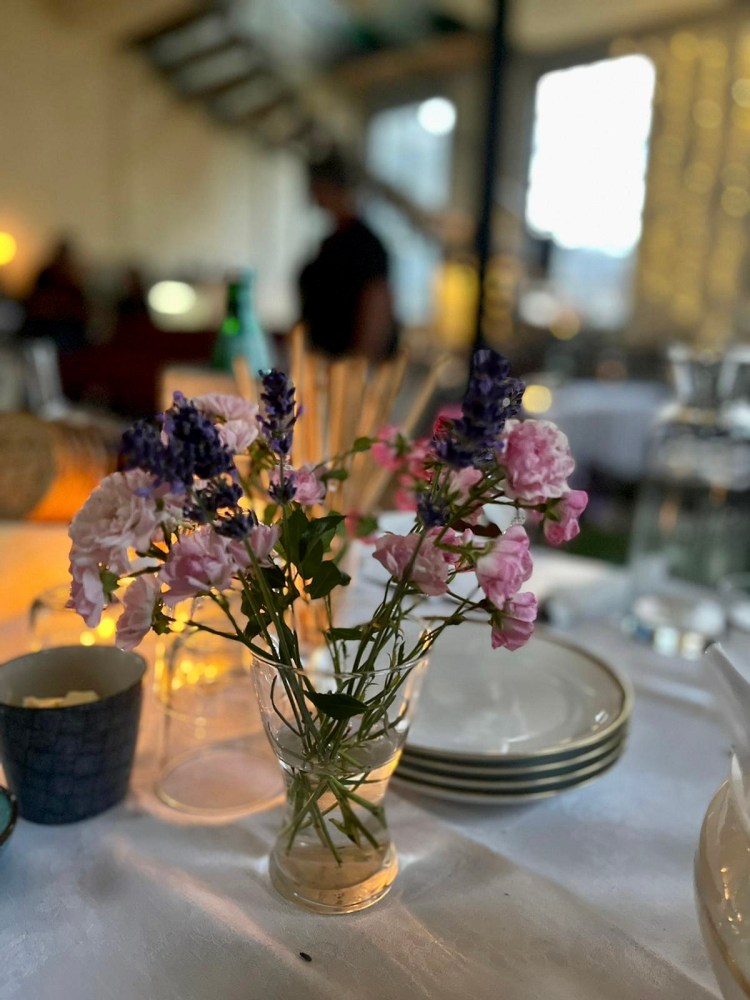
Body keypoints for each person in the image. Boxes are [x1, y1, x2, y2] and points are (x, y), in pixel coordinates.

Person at [298, 151, 398, 362]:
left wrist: (360, 363)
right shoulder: (331, 242)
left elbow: (377, 307)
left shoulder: (365, 246)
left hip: (348, 365)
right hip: (324, 360)